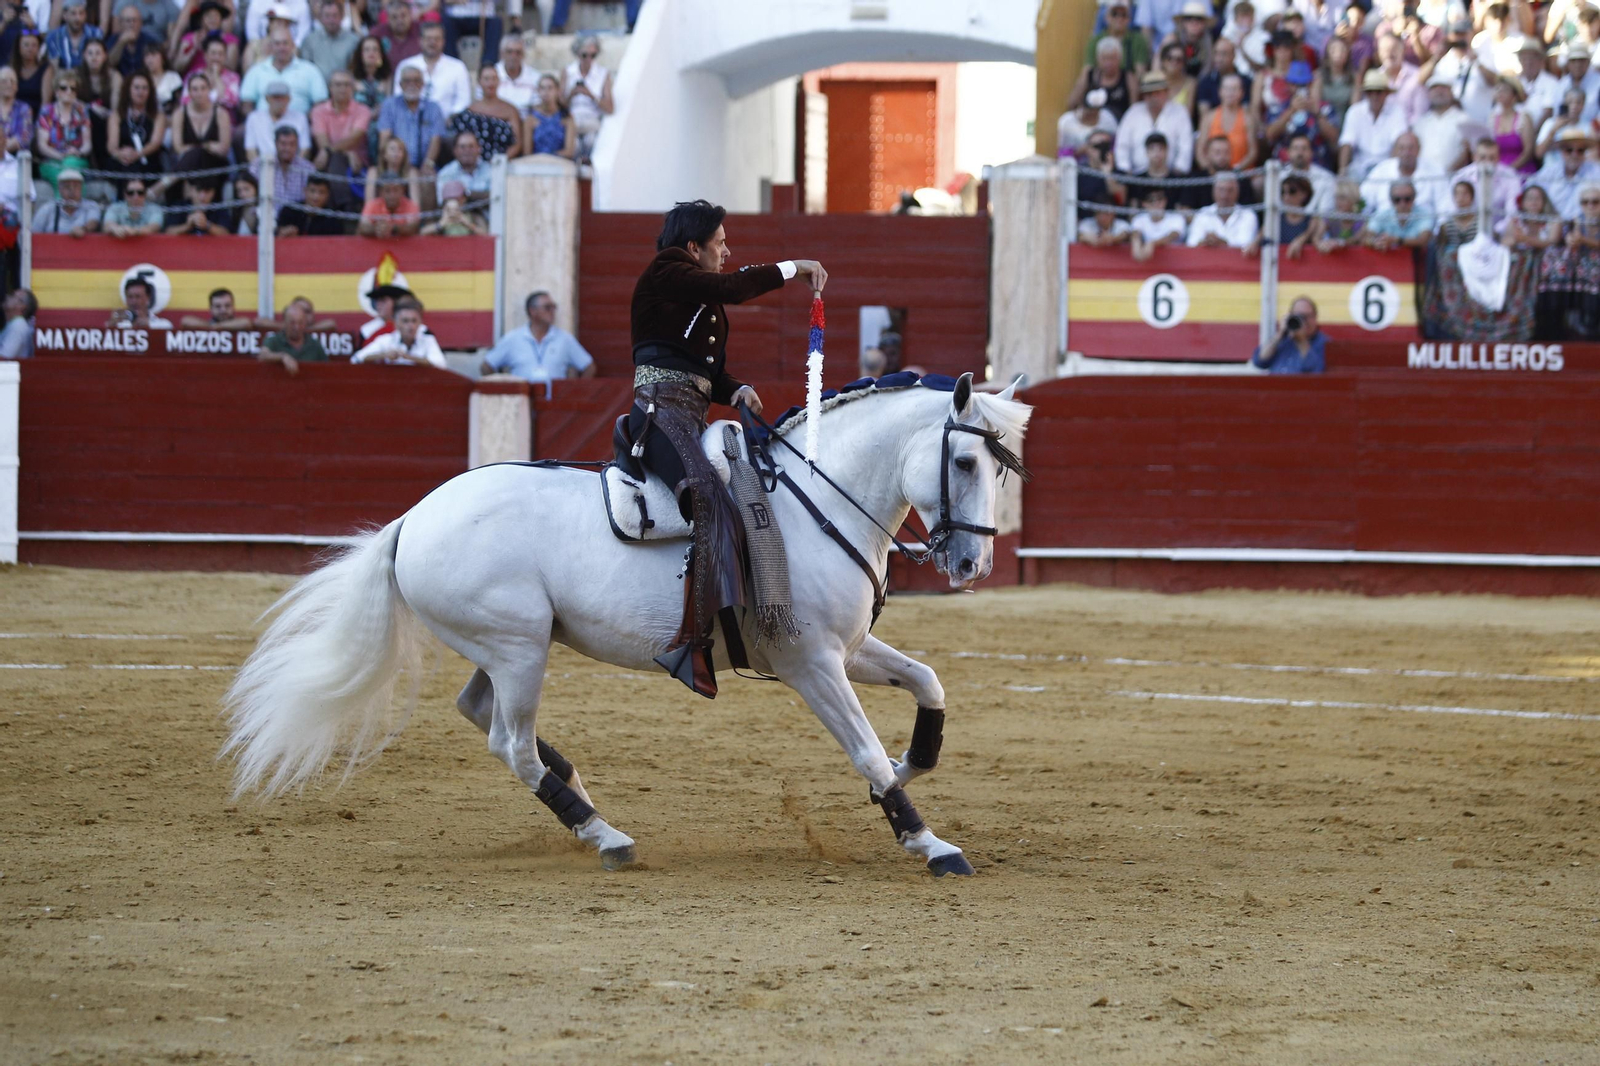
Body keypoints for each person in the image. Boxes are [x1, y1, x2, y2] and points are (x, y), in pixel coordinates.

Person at [625, 198, 827, 697]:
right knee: (707, 496)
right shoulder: (668, 269)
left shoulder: (692, 294)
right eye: (719, 243)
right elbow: (730, 288)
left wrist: (733, 386)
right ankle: (689, 640)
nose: (727, 251)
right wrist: (792, 267)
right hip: (661, 414)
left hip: (690, 414)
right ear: (693, 247)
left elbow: (703, 372)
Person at [480, 289, 594, 389]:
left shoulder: (564, 339)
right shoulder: (513, 339)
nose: (553, 311)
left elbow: (589, 367)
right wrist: (503, 391)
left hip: (555, 406)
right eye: (547, 308)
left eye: (554, 307)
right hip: (522, 406)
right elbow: (486, 366)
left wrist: (576, 392)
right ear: (532, 311)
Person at [240, 24, 327, 116]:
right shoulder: (256, 71)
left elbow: (320, 103)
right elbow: (246, 105)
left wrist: (305, 121)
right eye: (277, 44)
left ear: (293, 45)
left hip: (301, 125)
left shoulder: (310, 70)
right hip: (264, 126)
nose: (281, 48)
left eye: (285, 43)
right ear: (271, 46)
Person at [1113, 71, 1192, 172]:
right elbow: (1122, 145)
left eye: (1158, 93)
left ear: (1166, 92)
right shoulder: (1133, 112)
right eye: (1149, 94)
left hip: (1171, 177)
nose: (1154, 98)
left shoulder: (1180, 112)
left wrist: (1179, 171)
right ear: (1143, 95)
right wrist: (1125, 170)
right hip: (1137, 177)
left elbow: (1185, 146)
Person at [1339, 70, 1409, 180]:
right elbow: (1347, 143)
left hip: (1387, 167)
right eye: (1370, 92)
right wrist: (1342, 173)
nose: (1374, 96)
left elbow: (1398, 143)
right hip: (1359, 168)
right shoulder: (1355, 111)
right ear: (1366, 94)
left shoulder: (1397, 111)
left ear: (1386, 93)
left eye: (1379, 92)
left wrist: (1391, 169)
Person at [1361, 131, 1449, 216]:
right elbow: (1364, 200)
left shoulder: (1435, 171)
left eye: (1411, 148)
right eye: (1401, 148)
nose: (1406, 153)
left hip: (1423, 228)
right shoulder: (1381, 170)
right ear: (1395, 150)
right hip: (1384, 227)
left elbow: (1443, 209)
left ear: (1419, 149)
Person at [377, 64, 443, 174]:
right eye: (407, 81)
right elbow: (384, 137)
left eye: (416, 80)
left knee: (429, 176)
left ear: (422, 84)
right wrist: (386, 165)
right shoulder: (390, 105)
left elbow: (436, 140)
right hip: (397, 163)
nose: (412, 84)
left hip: (423, 164)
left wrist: (428, 164)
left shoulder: (433, 108)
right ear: (400, 85)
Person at [394, 21, 469, 117]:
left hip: (446, 125)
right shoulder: (405, 65)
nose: (432, 43)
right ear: (420, 41)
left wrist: (449, 119)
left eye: (437, 39)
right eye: (428, 38)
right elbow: (398, 97)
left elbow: (463, 102)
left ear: (443, 41)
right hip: (409, 123)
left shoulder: (458, 67)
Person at [449, 61, 518, 160]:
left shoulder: (510, 110)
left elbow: (517, 143)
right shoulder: (469, 111)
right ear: (479, 81)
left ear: (499, 81)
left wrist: (500, 160)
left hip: (502, 163)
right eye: (486, 79)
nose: (490, 83)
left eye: (494, 79)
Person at [104, 67, 164, 181]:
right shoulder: (117, 115)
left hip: (147, 159)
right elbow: (111, 146)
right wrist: (121, 154)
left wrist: (137, 154)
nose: (140, 92)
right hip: (122, 161)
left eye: (144, 88)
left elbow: (155, 143)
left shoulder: (158, 115)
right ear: (128, 90)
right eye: (136, 88)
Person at [34, 71, 89, 190]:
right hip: (51, 161)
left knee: (70, 166)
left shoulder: (81, 111)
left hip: (76, 159)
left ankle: (64, 207)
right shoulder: (47, 112)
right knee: (66, 175)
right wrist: (61, 156)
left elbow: (87, 145)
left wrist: (77, 152)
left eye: (73, 89)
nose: (69, 91)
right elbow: (42, 146)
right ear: (56, 91)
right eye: (64, 88)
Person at [1530, 125, 1600, 219]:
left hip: (1585, 227)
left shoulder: (1596, 171)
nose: (1574, 154)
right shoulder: (1551, 171)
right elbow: (1529, 187)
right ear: (1561, 151)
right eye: (1569, 150)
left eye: (1580, 150)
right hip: (1551, 225)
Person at [562, 34, 612, 162]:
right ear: (577, 53)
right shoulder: (568, 72)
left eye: (593, 55)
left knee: (591, 142)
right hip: (572, 119)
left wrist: (590, 95)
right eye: (585, 55)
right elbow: (560, 103)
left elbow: (610, 107)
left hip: (592, 120)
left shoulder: (603, 73)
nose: (589, 59)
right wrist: (573, 93)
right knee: (574, 145)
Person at [352, 297, 446, 366]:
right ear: (396, 323)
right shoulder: (386, 340)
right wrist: (384, 355)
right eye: (405, 321)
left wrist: (408, 357)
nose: (411, 326)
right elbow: (356, 359)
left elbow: (441, 364)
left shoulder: (427, 340)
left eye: (414, 321)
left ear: (420, 322)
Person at [171, 69, 231, 172]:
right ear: (189, 92)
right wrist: (208, 146)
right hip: (189, 165)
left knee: (198, 157)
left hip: (214, 164)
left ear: (209, 90)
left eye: (203, 88)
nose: (199, 93)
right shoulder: (179, 114)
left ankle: (166, 182)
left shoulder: (221, 114)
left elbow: (223, 148)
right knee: (194, 159)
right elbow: (178, 148)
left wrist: (196, 149)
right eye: (195, 89)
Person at [1068, 35, 1138, 122]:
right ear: (1098, 59)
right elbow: (1072, 103)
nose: (1108, 63)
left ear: (1120, 58)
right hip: (1090, 122)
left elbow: (1134, 109)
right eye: (1105, 59)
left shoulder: (1128, 78)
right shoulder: (1089, 76)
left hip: (1117, 124)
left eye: (1112, 58)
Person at [1453, 136, 1522, 221]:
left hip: (1501, 231)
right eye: (1482, 157)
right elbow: (1452, 208)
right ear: (1474, 157)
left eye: (1492, 158)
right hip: (1468, 230)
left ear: (1498, 158)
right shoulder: (1461, 176)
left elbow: (1512, 211)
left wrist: (1498, 230)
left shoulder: (1510, 176)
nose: (1487, 162)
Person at [1250, 296, 1326, 373]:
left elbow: (1315, 370)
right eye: (1298, 316)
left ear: (1315, 317)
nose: (1303, 321)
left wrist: (1301, 341)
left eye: (1306, 317)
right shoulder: (1283, 341)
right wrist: (1280, 334)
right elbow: (1259, 361)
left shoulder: (1325, 344)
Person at [1188, 171, 1258, 249]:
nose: (1224, 195)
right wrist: (1204, 242)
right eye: (1221, 190)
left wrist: (1221, 243)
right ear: (1213, 191)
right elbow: (1191, 244)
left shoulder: (1248, 215)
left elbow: (1245, 246)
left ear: (1237, 192)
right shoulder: (1203, 214)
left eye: (1230, 190)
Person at [243, 78, 310, 160]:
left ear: (289, 99)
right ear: (267, 99)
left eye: (282, 98)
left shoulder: (300, 118)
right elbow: (250, 149)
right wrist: (257, 170)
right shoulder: (254, 118)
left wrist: (295, 170)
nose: (278, 101)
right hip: (264, 166)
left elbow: (304, 148)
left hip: (292, 166)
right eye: (275, 97)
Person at [1084, 0, 1151, 77]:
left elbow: (1140, 74)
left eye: (1123, 15)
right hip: (1100, 87)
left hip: (1129, 86)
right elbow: (1086, 73)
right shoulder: (1095, 41)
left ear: (1129, 19)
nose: (1119, 18)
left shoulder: (1138, 41)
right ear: (1106, 17)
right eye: (1114, 14)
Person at [260, 298, 327, 373]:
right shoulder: (274, 340)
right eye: (292, 323)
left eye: (300, 323)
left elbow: (327, 368)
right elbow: (263, 355)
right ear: (285, 323)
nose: (297, 327)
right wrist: (282, 357)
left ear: (305, 323)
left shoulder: (314, 344)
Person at [170, 0, 237, 75]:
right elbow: (177, 67)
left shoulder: (229, 40)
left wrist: (216, 57)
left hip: (222, 78)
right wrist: (193, 50)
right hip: (195, 79)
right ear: (201, 19)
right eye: (209, 16)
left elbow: (232, 67)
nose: (213, 19)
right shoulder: (190, 38)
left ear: (221, 19)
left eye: (216, 15)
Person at [1364, 179, 1435, 249]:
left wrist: (1396, 240)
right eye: (1397, 199)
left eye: (1407, 199)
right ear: (1391, 200)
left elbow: (1423, 241)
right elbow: (1366, 237)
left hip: (1417, 259)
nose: (1402, 204)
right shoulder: (1382, 215)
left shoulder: (1424, 214)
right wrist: (1375, 242)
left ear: (1414, 198)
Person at [1487, 74, 1535, 175]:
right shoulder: (1492, 119)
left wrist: (1510, 169)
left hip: (1521, 171)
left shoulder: (1524, 118)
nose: (1500, 92)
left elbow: (1528, 151)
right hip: (1498, 172)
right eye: (1498, 89)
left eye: (1505, 90)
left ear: (1514, 95)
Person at [299, 0, 359, 81]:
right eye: (327, 16)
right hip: (317, 88)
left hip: (344, 88)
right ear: (320, 18)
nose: (331, 20)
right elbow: (305, 69)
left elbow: (356, 70)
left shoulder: (353, 41)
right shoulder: (310, 41)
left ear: (342, 16)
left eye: (335, 16)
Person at [31, 165, 99, 233]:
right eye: (67, 187)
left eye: (75, 186)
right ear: (60, 189)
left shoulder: (91, 206)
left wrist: (83, 229)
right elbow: (34, 233)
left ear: (81, 188)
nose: (72, 191)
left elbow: (93, 222)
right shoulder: (48, 208)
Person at [1057, 86, 1118, 157]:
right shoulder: (1067, 122)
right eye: (1088, 110)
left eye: (1095, 111)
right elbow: (1061, 154)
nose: (1091, 114)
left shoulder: (1108, 120)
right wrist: (1079, 152)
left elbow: (1115, 147)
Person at [434, 128, 488, 204]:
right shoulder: (445, 173)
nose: (467, 150)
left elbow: (497, 196)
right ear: (455, 150)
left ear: (479, 149)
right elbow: (444, 203)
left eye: (471, 146)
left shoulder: (491, 170)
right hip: (457, 214)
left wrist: (466, 194)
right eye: (462, 147)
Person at [1130, 185, 1185, 260]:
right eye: (1150, 200)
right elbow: (1135, 234)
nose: (1156, 203)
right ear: (1144, 203)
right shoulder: (1139, 219)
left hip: (1176, 261)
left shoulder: (1176, 218)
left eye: (1159, 199)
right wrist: (1136, 244)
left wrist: (1152, 244)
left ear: (1165, 201)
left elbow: (1172, 236)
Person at [358, 170, 419, 236]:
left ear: (402, 191)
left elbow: (413, 228)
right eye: (387, 191)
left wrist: (392, 228)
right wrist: (376, 228)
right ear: (380, 192)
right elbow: (362, 227)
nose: (392, 195)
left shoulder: (410, 205)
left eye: (396, 190)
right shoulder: (372, 205)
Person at [1498, 183, 1560, 249]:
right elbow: (1504, 243)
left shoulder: (1554, 220)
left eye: (1537, 198)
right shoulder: (1516, 220)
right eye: (1530, 199)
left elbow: (1552, 243)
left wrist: (1526, 239)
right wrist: (1514, 240)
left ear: (1544, 201)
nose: (1534, 202)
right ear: (1523, 202)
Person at [45, 0, 102, 71]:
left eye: (81, 13)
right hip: (64, 78)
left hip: (89, 78)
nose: (78, 18)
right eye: (73, 13)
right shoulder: (53, 38)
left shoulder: (96, 34)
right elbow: (55, 69)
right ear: (65, 15)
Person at [106, 4, 160, 78]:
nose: (131, 24)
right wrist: (121, 43)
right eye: (128, 21)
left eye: (135, 21)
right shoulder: (113, 40)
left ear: (141, 24)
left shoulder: (150, 41)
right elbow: (108, 64)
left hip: (145, 82)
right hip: (120, 82)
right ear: (121, 24)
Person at [490, 32, 536, 113]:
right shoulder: (490, 75)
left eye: (518, 52)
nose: (513, 56)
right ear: (502, 54)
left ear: (523, 55)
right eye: (509, 52)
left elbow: (537, 110)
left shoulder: (534, 77)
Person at [180, 287, 253, 329]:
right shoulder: (207, 325)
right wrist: (212, 326)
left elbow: (246, 322)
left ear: (233, 307)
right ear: (211, 309)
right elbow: (185, 321)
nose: (223, 310)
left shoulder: (240, 324)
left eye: (227, 305)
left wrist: (218, 327)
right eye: (218, 306)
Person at [373, 0, 420, 67]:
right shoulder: (377, 34)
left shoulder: (421, 31)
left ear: (410, 15)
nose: (399, 20)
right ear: (388, 19)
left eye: (403, 16)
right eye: (394, 17)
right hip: (386, 75)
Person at [0, 66, 33, 157]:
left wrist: (2, 147)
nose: (9, 84)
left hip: (15, 158)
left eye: (12, 81)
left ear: (17, 87)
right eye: (4, 81)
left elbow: (24, 138)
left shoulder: (24, 109)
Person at [0, 287, 36, 359]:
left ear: (21, 306)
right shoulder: (13, 324)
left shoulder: (18, 326)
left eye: (12, 296)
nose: (7, 296)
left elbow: (3, 357)